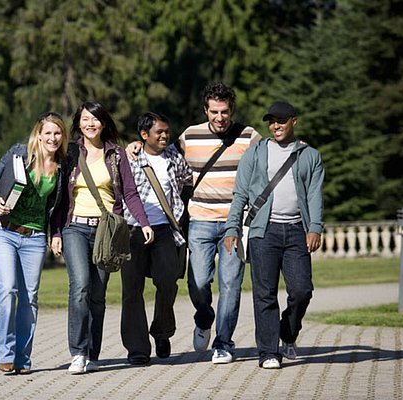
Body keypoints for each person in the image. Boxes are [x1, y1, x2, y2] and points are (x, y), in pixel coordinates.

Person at [127, 82, 261, 364]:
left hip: (233, 223)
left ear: (231, 110)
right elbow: (160, 153)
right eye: (214, 111)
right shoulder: (190, 136)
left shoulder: (249, 137)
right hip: (199, 219)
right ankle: (204, 317)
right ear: (206, 110)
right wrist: (136, 144)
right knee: (197, 283)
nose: (220, 117)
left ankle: (223, 343)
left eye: (224, 111)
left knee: (230, 283)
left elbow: (269, 164)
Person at [53, 100, 154, 375]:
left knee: (98, 293)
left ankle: (93, 352)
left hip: (106, 231)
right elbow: (59, 197)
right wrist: (56, 232)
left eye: (95, 119)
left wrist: (143, 223)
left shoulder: (117, 155)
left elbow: (130, 193)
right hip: (74, 226)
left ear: (104, 122)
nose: (90, 124)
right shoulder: (70, 153)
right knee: (81, 286)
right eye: (85, 119)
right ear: (78, 123)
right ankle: (78, 352)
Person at [223, 101, 324, 369]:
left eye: (281, 120)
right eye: (271, 121)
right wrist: (232, 227)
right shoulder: (255, 153)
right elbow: (240, 194)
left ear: (294, 121)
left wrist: (315, 227)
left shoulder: (310, 156)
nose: (275, 126)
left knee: (302, 290)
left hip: (295, 232)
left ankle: (288, 332)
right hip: (262, 232)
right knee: (264, 294)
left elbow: (314, 194)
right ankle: (268, 352)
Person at [0, 112, 69, 375]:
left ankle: (22, 359)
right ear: (39, 134)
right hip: (3, 232)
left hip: (34, 239)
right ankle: (5, 354)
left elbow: (58, 208)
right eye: (48, 133)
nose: (53, 138)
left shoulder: (63, 166)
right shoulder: (19, 153)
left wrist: (56, 234)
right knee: (8, 289)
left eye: (58, 134)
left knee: (30, 298)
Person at [120, 112, 193, 365]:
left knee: (168, 281)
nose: (164, 136)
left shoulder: (174, 157)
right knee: (132, 291)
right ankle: (137, 349)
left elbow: (186, 181)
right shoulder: (129, 158)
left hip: (164, 230)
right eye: (158, 132)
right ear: (143, 135)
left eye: (166, 132)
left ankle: (162, 331)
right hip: (133, 230)